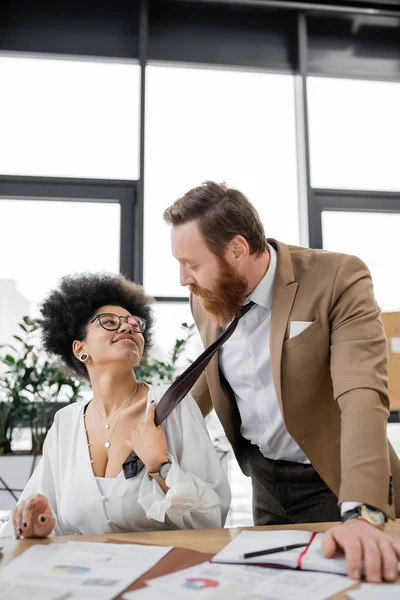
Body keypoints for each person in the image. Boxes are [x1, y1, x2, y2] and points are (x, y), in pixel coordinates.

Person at [164, 180, 400, 583]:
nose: (183, 280)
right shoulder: (206, 295)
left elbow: (361, 392)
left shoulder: (337, 278)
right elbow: (211, 377)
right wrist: (148, 432)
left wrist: (363, 511)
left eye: (192, 264)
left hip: (334, 478)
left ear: (237, 249)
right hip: (265, 479)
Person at [0, 273, 230, 538]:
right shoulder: (66, 424)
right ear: (79, 348)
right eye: (109, 322)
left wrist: (160, 465)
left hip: (162, 572)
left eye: (134, 323)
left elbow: (213, 516)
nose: (127, 328)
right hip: (85, 575)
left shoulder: (173, 407)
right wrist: (36, 524)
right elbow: (38, 517)